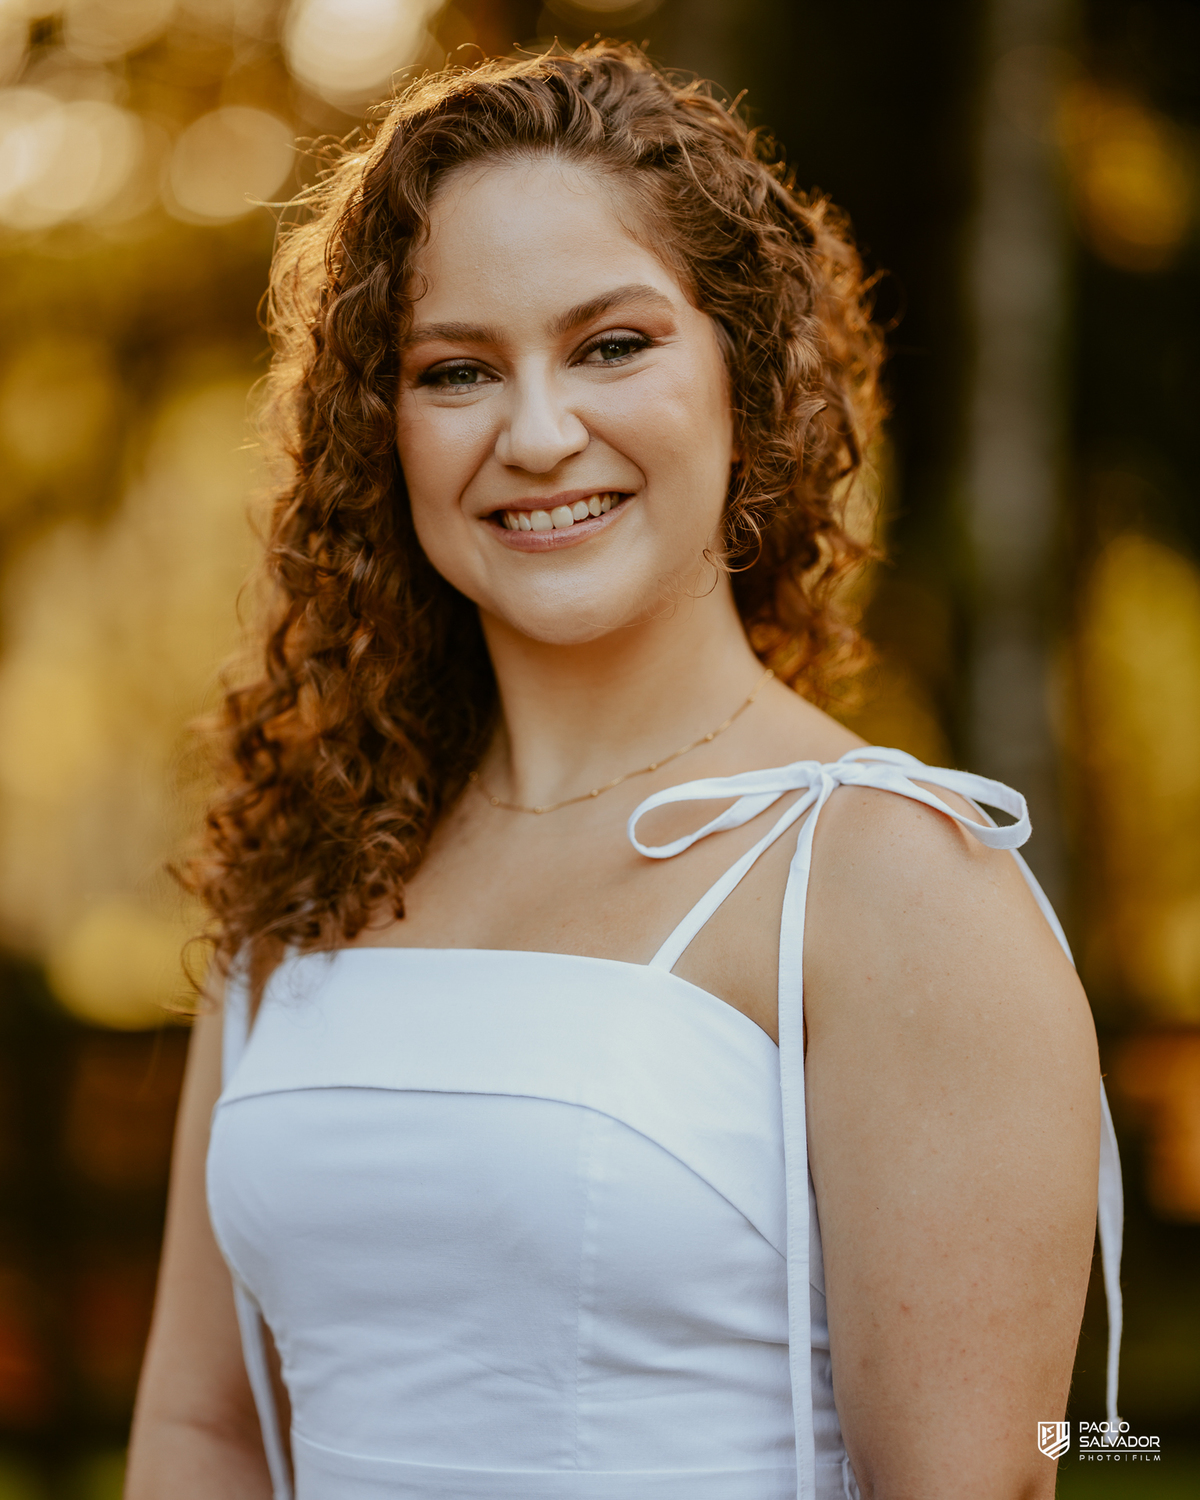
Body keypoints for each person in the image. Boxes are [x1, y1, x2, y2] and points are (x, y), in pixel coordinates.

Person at [126, 41, 1121, 1500]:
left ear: (747, 368)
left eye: (612, 345)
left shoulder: (890, 885)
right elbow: (203, 1428)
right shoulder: (312, 862)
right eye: (456, 370)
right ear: (379, 432)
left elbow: (1002, 1471)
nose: (538, 435)